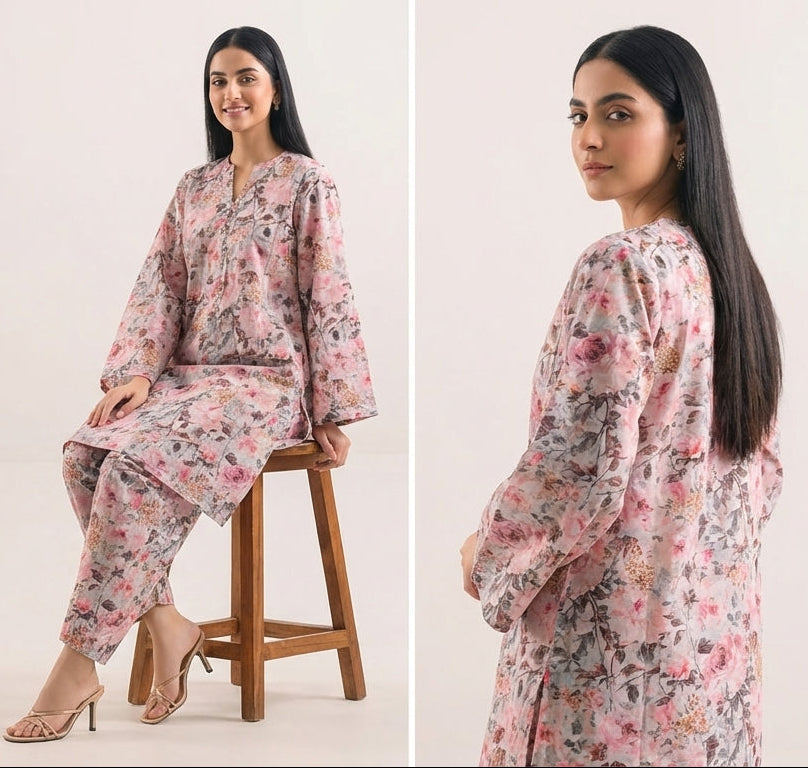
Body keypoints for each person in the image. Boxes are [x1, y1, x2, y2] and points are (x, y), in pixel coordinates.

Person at [5, 25, 377, 743]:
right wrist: (138, 374)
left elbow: (329, 294)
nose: (230, 93)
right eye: (217, 81)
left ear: (274, 88)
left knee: (135, 471)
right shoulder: (194, 188)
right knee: (85, 455)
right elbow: (162, 288)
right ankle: (167, 622)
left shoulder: (309, 182)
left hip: (267, 388)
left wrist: (334, 410)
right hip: (187, 381)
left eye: (245, 78)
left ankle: (78, 663)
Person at [460, 25, 783, 767]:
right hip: (708, 665)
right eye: (577, 116)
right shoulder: (729, 279)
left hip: (606, 659)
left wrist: (488, 551)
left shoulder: (624, 265)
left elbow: (578, 465)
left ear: (680, 134)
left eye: (618, 113)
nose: (589, 137)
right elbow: (755, 482)